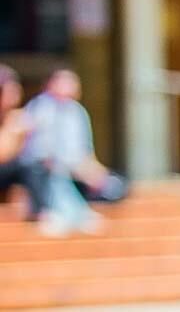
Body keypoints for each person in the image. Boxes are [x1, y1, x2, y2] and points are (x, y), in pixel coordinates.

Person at [22, 68, 124, 236]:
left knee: (117, 184)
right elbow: (39, 149)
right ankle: (65, 214)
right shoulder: (40, 107)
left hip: (77, 169)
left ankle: (79, 210)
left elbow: (86, 150)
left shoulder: (78, 111)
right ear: (51, 84)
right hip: (48, 168)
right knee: (53, 177)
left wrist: (94, 171)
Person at [0, 64, 45, 218]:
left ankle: (39, 214)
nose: (15, 95)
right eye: (9, 91)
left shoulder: (21, 118)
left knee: (33, 166)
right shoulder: (16, 122)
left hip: (10, 175)